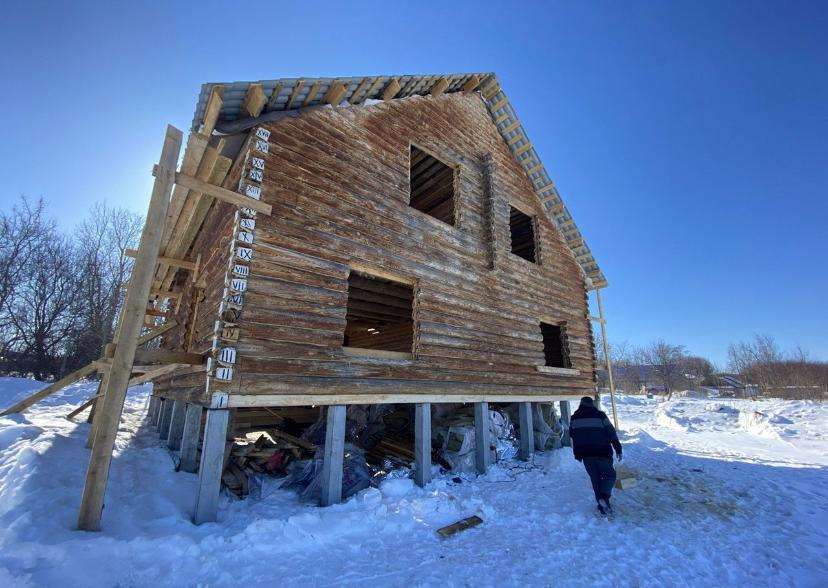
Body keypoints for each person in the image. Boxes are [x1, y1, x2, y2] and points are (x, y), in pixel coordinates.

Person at [569, 396, 622, 515]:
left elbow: (572, 434)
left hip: (585, 454)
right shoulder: (600, 415)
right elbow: (611, 432)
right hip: (602, 451)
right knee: (610, 476)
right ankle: (604, 497)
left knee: (595, 479)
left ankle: (602, 506)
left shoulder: (574, 418)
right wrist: (618, 448)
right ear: (592, 404)